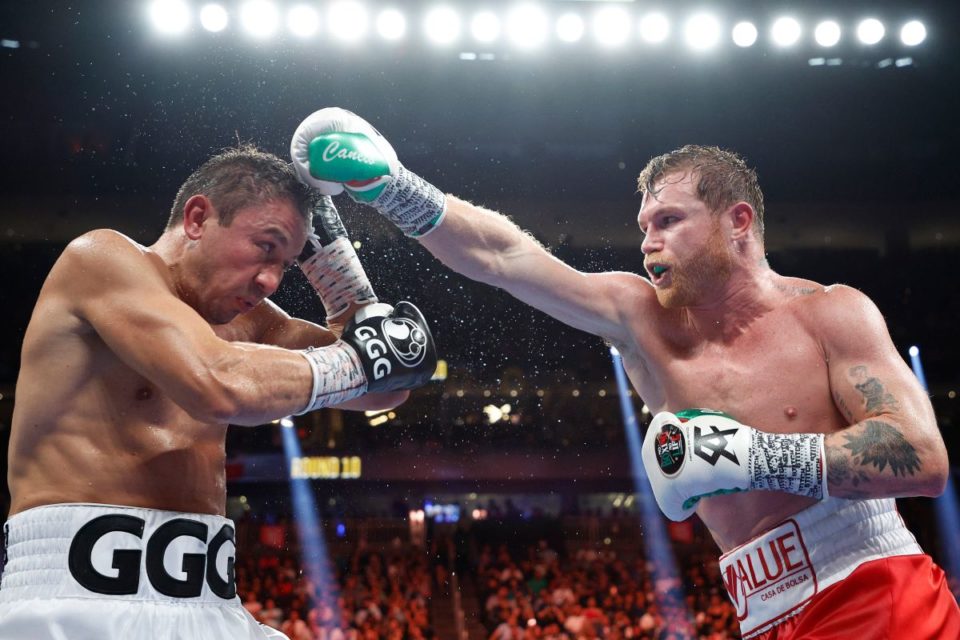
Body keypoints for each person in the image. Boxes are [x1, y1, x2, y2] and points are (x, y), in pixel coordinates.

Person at [288, 108, 960, 639]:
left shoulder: (831, 314)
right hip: (763, 611)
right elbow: (504, 257)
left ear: (739, 222)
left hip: (875, 590)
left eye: (669, 220)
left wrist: (751, 456)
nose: (648, 241)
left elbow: (923, 458)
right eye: (644, 225)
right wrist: (390, 185)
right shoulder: (641, 316)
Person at [0, 145, 437, 639]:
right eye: (266, 247)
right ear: (197, 218)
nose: (271, 280)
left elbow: (384, 389)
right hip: (77, 601)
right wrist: (365, 359)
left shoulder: (252, 322)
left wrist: (345, 290)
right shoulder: (99, 261)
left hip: (212, 604)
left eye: (289, 264)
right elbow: (219, 386)